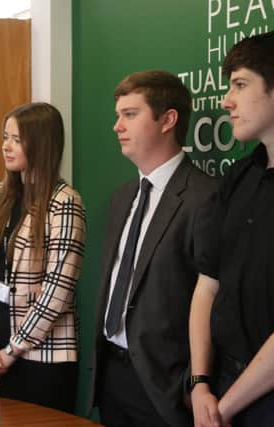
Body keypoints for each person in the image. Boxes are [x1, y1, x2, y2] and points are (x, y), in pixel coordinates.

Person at [88, 70, 216, 426]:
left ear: (168, 120)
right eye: (119, 115)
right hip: (110, 376)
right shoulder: (122, 198)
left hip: (165, 389)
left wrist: (192, 382)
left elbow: (212, 302)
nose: (117, 126)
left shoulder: (205, 198)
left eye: (130, 115)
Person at [0, 102, 86, 412]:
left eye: (16, 139)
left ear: (41, 144)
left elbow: (56, 293)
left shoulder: (65, 202)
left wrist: (12, 350)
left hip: (42, 357)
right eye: (5, 137)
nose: (6, 146)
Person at [189, 31, 274, 427]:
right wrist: (201, 382)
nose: (227, 100)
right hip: (219, 388)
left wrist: (224, 407)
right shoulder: (239, 177)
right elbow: (208, 285)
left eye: (241, 84)